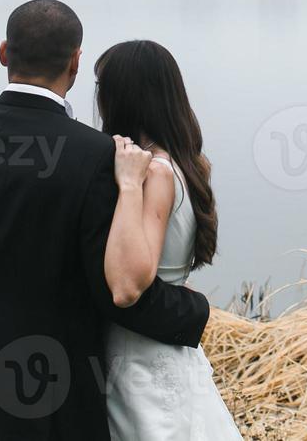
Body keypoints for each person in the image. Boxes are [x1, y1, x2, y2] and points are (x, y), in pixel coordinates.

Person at [0, 0, 210, 440]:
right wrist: (192, 310)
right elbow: (112, 289)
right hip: (52, 396)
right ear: (76, 62)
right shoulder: (96, 157)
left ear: (5, 52)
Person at [94, 39, 242, 441]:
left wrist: (127, 185)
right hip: (171, 346)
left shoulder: (154, 173)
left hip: (139, 353)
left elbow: (129, 286)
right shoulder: (186, 164)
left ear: (122, 95)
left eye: (101, 86)